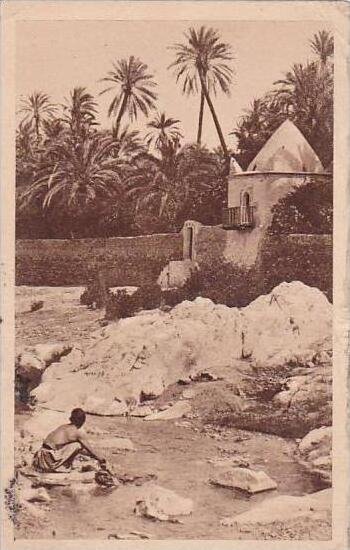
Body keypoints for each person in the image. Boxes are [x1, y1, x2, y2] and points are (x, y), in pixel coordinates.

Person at [33, 408, 106, 473]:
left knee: (75, 446)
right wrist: (102, 459)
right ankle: (63, 467)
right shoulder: (78, 433)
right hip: (48, 461)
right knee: (78, 445)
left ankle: (61, 465)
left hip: (39, 458)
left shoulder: (63, 426)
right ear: (82, 421)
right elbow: (90, 450)